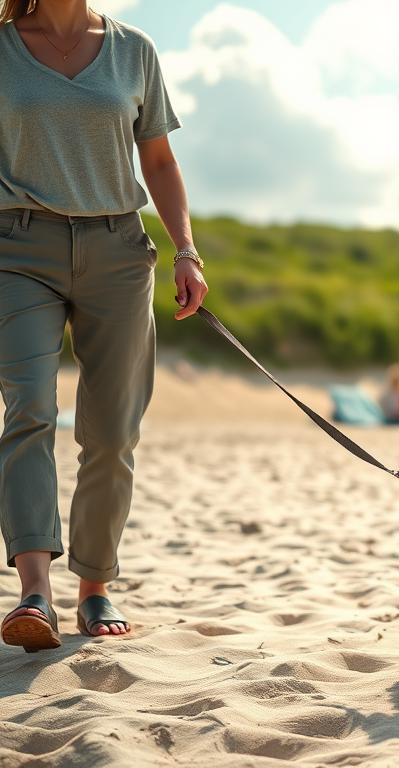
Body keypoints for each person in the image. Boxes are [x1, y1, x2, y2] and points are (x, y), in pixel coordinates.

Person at [0, 0, 207, 651]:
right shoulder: (3, 46)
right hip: (16, 249)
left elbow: (161, 164)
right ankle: (35, 590)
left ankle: (95, 586)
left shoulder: (133, 50)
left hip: (118, 251)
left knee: (113, 431)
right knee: (29, 408)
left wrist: (187, 250)